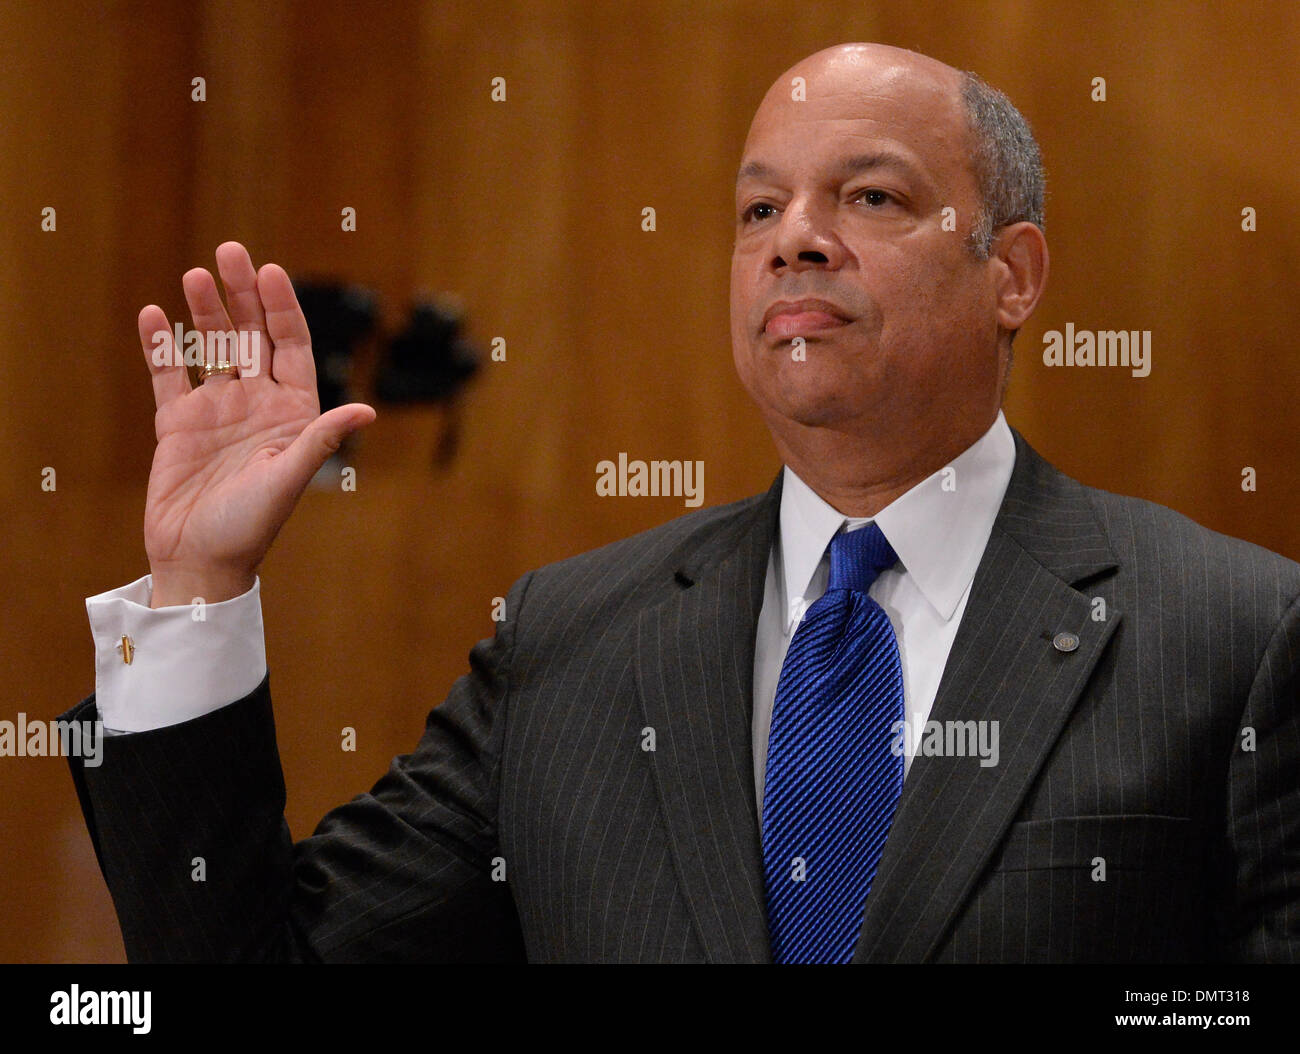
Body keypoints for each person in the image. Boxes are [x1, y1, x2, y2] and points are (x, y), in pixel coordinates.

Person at [64, 42, 1299, 963]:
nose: (792, 241)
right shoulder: (569, 645)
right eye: (760, 208)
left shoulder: (1235, 633)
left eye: (868, 197)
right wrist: (196, 591)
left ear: (1012, 274)